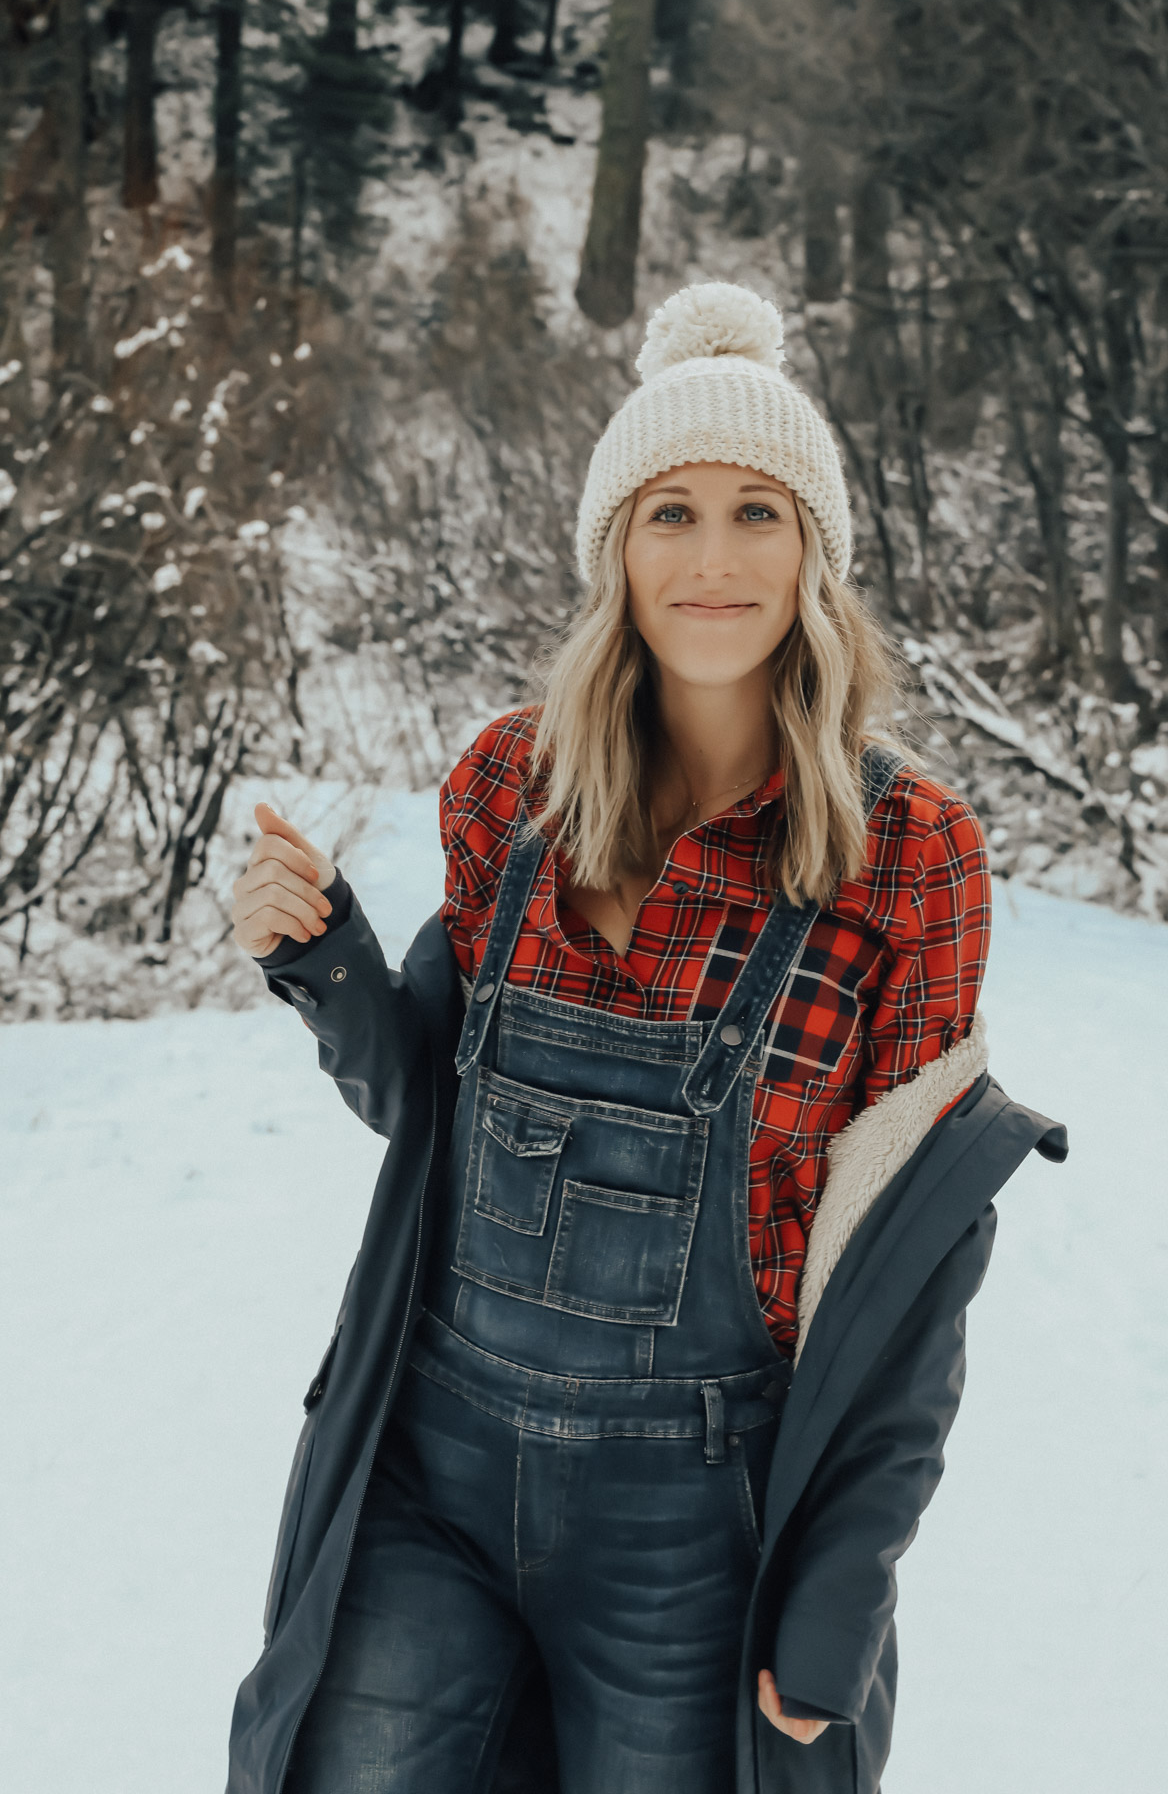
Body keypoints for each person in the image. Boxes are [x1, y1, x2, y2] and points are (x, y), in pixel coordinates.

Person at [225, 283, 1066, 1794]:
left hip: (694, 1526)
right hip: (432, 1463)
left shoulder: (909, 853)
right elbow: (435, 1114)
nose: (715, 558)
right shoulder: (515, 788)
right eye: (669, 511)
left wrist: (840, 1595)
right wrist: (330, 963)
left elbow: (913, 1278)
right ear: (615, 546)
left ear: (816, 551)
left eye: (759, 510)